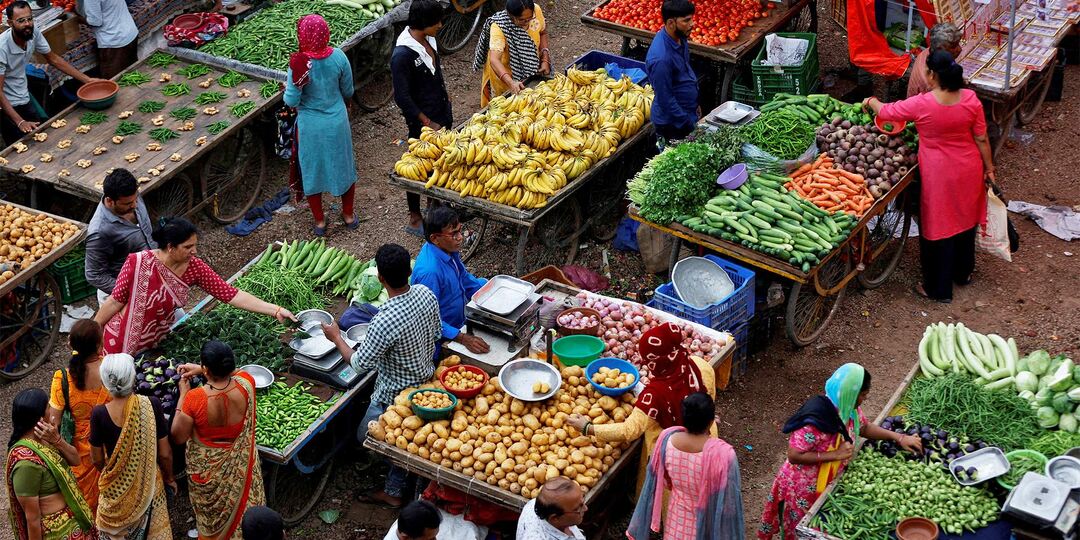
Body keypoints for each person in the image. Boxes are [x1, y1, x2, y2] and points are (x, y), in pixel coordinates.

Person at [865, 51, 995, 303]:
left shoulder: (923, 103)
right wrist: (989, 169)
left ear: (932, 75)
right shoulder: (970, 99)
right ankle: (963, 273)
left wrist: (870, 100)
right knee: (966, 221)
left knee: (939, 227)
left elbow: (888, 111)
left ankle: (938, 289)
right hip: (969, 168)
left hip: (939, 174)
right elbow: (981, 138)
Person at [322, 243, 443, 509]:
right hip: (427, 382)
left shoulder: (384, 319)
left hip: (394, 397)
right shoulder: (426, 294)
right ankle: (397, 483)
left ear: (381, 278)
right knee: (399, 439)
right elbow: (436, 335)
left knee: (364, 436)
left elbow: (359, 363)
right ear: (409, 272)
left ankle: (400, 475)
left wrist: (336, 338)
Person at [758, 364, 922, 539]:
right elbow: (794, 455)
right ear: (852, 392)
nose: (865, 399)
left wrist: (900, 438)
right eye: (863, 395)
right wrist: (835, 455)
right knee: (801, 528)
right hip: (804, 486)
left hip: (828, 479)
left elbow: (864, 427)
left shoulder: (847, 406)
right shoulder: (815, 419)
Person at [93, 217, 295, 355]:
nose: (194, 251)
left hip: (157, 338)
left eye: (195, 245)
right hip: (121, 338)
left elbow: (230, 294)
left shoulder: (194, 268)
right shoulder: (138, 262)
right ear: (170, 247)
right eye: (188, 247)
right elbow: (115, 301)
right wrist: (94, 328)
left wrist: (275, 310)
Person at [567, 322, 716, 494]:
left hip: (674, 455)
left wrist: (587, 427)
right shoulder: (699, 365)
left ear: (654, 361)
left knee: (674, 499)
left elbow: (629, 431)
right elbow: (708, 400)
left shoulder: (655, 395)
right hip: (706, 438)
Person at [171, 341, 266, 539]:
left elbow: (178, 436)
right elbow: (236, 372)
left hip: (209, 474)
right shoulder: (247, 383)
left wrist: (182, 396)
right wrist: (203, 370)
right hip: (240, 467)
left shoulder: (194, 399)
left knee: (213, 521)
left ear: (206, 369)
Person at [627, 393, 743, 540]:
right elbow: (729, 503)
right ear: (711, 422)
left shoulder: (666, 440)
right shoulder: (723, 454)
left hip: (677, 522)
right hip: (708, 525)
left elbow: (666, 480)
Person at [283, 14, 358, 237]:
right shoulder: (338, 57)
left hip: (311, 126)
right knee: (343, 165)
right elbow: (348, 90)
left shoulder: (298, 64)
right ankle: (349, 215)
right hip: (337, 121)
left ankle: (319, 222)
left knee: (312, 170)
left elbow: (292, 101)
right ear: (326, 34)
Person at [89, 354, 173, 539]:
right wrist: (170, 478)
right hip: (150, 485)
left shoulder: (99, 414)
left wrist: (116, 475)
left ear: (105, 381)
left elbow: (96, 459)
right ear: (133, 378)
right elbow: (165, 453)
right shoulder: (151, 405)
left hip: (115, 490)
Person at [391, 0, 452, 237]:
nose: (440, 24)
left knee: (439, 161)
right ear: (423, 24)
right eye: (436, 21)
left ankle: (434, 205)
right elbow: (403, 98)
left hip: (441, 112)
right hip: (422, 121)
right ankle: (415, 216)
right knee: (416, 166)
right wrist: (427, 122)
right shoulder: (402, 55)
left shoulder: (429, 40)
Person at [0, 1, 98, 145]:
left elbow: (53, 59)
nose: (27, 24)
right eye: (21, 21)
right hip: (5, 106)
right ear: (10, 23)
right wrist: (20, 121)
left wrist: (87, 80)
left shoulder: (33, 33)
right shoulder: (2, 48)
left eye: (29, 19)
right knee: (19, 148)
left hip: (23, 96)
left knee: (42, 139)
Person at [6, 388, 97, 540]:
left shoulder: (47, 438)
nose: (52, 411)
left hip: (73, 526)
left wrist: (58, 441)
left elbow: (75, 460)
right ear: (40, 418)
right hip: (56, 532)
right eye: (48, 407)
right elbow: (32, 519)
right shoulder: (25, 463)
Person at [46, 319, 110, 516]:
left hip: (80, 454)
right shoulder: (112, 369)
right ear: (100, 345)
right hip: (111, 442)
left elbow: (53, 422)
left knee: (86, 504)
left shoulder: (62, 378)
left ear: (70, 345)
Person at [411, 206, 490, 355]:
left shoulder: (449, 250)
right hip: (439, 340)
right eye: (454, 234)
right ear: (435, 238)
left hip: (460, 323)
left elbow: (465, 280)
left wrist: (490, 290)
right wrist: (462, 338)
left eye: (460, 230)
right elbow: (428, 320)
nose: (460, 237)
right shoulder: (430, 273)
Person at [84, 169, 155, 306]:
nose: (135, 205)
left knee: (180, 322)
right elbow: (94, 275)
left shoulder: (131, 198)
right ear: (110, 201)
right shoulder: (99, 232)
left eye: (136, 199)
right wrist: (131, 291)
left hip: (151, 280)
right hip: (122, 296)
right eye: (128, 204)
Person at [472, 0, 550, 106]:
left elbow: (542, 32)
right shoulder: (499, 26)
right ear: (510, 15)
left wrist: (545, 58)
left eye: (530, 18)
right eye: (522, 20)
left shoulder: (536, 10)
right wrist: (511, 83)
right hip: (505, 75)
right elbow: (494, 60)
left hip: (531, 68)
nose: (527, 22)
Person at [645, 0, 699, 143]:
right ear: (671, 23)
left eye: (692, 19)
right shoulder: (661, 59)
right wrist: (687, 122)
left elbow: (684, 71)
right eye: (686, 20)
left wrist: (694, 105)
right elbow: (665, 99)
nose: (692, 24)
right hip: (673, 124)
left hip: (686, 113)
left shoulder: (679, 38)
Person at [515, 476, 586, 540]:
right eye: (577, 509)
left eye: (583, 498)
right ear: (555, 518)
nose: (586, 508)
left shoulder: (538, 503)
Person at [82, 0, 138, 79]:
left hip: (114, 41)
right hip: (129, 32)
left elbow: (95, 21)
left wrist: (78, 18)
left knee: (115, 82)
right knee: (132, 74)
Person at [906, 23, 961, 97]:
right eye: (953, 47)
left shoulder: (930, 52)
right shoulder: (931, 83)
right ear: (940, 49)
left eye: (958, 44)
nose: (960, 49)